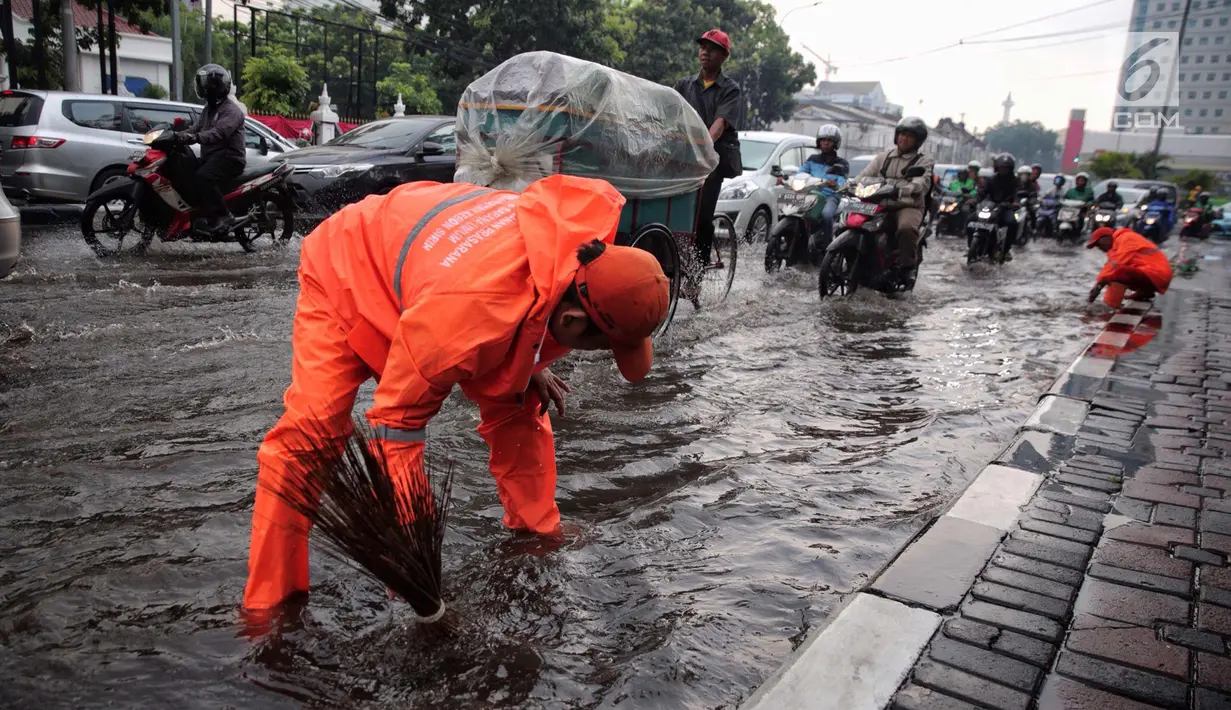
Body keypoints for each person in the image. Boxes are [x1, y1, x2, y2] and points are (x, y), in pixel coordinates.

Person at [244, 175, 671, 611]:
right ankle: (270, 607)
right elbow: (397, 424)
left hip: (428, 271)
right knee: (312, 436)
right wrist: (413, 550)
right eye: (605, 346)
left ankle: (537, 528)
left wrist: (529, 362)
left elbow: (524, 321)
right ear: (571, 322)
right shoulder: (474, 310)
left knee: (520, 396)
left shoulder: (566, 249)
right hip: (348, 266)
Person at [674, 28, 742, 268]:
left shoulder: (729, 89)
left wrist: (702, 148)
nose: (705, 53)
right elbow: (669, 114)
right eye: (703, 47)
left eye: (712, 49)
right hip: (683, 158)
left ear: (723, 56)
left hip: (711, 161)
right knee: (671, 209)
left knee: (701, 217)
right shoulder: (684, 84)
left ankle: (698, 273)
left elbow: (719, 125)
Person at [855, 116, 935, 279]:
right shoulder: (882, 157)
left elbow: (921, 183)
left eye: (909, 136)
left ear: (917, 141)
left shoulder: (923, 161)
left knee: (906, 228)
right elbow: (863, 175)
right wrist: (849, 185)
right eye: (902, 134)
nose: (904, 139)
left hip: (907, 205)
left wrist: (904, 189)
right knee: (851, 220)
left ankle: (907, 268)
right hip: (879, 203)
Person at [175, 64, 247, 234]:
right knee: (186, 169)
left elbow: (219, 133)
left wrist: (196, 138)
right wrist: (178, 135)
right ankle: (199, 213)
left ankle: (223, 216)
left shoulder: (232, 111)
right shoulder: (209, 109)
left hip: (230, 158)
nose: (206, 87)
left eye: (211, 84)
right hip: (213, 156)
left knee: (203, 177)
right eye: (205, 84)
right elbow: (196, 128)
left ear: (220, 86)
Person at [1087, 226, 1173, 304]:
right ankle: (1145, 292)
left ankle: (1110, 305)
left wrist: (1098, 287)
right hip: (1156, 274)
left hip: (1157, 274)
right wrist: (1098, 285)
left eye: (1098, 244)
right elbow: (1109, 266)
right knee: (1118, 272)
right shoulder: (1117, 245)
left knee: (1119, 273)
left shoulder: (1125, 238)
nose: (1099, 248)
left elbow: (1114, 267)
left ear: (1106, 237)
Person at [799, 124, 849, 248]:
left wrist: (836, 184)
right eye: (823, 140)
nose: (825, 143)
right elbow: (801, 172)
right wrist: (788, 178)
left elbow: (842, 180)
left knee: (826, 215)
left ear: (835, 143)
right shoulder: (812, 159)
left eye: (829, 140)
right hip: (812, 193)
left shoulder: (842, 163)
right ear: (819, 142)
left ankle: (828, 247)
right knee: (795, 212)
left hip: (830, 196)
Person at [976, 152, 1021, 260]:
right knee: (971, 218)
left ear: (1011, 169)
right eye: (1001, 168)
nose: (1003, 170)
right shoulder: (991, 180)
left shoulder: (1015, 181)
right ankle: (972, 245)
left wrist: (1015, 202)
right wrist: (975, 200)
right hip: (990, 207)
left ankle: (1006, 249)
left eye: (1006, 168)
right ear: (997, 168)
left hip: (1006, 208)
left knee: (1012, 222)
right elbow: (982, 192)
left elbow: (1018, 193)